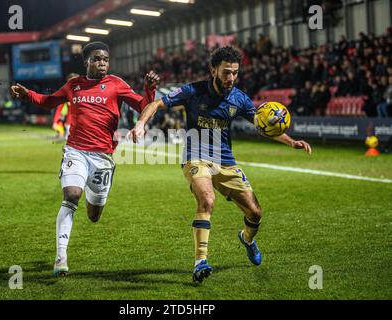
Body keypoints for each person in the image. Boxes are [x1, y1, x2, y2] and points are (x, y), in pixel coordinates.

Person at [128, 46, 311, 283]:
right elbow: (156, 104)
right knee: (207, 200)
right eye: (226, 72)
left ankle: (246, 238)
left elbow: (263, 125)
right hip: (195, 156)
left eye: (235, 72)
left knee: (255, 213)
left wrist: (291, 142)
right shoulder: (193, 91)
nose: (231, 78)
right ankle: (200, 262)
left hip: (225, 161)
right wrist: (141, 123)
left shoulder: (239, 99)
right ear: (213, 70)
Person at [10, 41, 160, 276]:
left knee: (93, 215)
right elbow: (49, 102)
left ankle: (95, 197)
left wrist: (149, 89)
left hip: (103, 158)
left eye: (106, 59)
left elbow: (143, 105)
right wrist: (27, 94)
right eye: (98, 59)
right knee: (71, 195)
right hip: (76, 151)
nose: (102, 63)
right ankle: (61, 257)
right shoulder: (74, 85)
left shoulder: (116, 84)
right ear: (87, 62)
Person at [52, 73, 79, 139]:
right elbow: (59, 109)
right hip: (69, 124)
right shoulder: (65, 94)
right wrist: (55, 122)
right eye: (69, 82)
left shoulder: (85, 93)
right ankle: (61, 133)